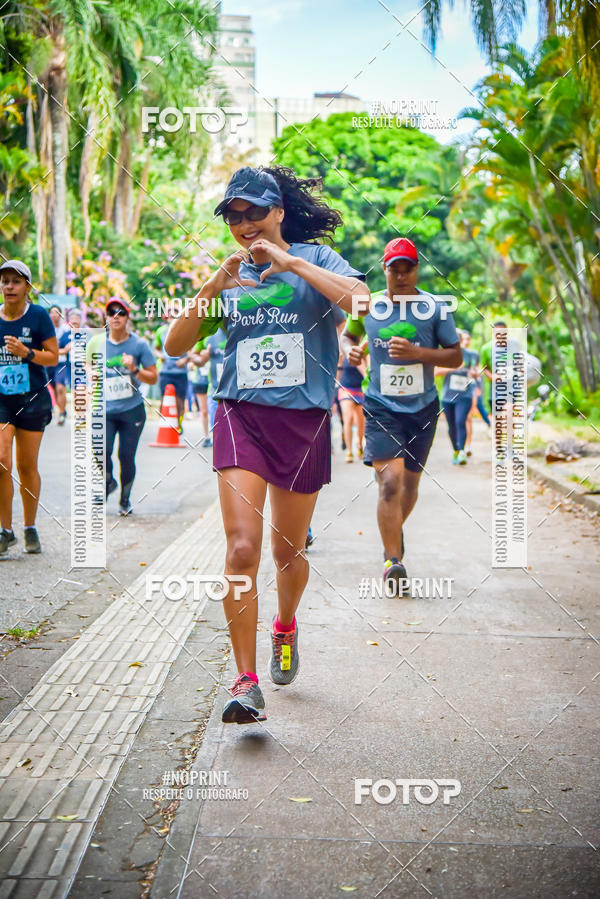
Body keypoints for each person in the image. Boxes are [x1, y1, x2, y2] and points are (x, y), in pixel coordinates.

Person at [165, 165, 370, 724]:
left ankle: (284, 626)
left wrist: (291, 262)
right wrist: (213, 286)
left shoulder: (317, 260)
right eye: (234, 215)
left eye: (255, 211)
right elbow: (174, 344)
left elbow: (362, 303)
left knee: (288, 552)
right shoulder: (231, 275)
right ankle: (244, 681)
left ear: (278, 211)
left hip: (302, 420)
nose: (244, 223)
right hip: (240, 415)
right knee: (240, 548)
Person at [341, 237, 461, 592]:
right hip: (381, 406)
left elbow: (455, 356)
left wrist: (418, 352)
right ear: (385, 270)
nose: (402, 275)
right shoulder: (367, 306)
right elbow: (348, 337)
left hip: (423, 407)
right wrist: (350, 351)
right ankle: (394, 561)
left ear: (417, 270)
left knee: (409, 485)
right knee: (390, 483)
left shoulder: (435, 308)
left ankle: (391, 534)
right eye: (395, 269)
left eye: (408, 268)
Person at [0, 260, 58, 554]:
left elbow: (53, 356)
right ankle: (5, 530)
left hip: (32, 398)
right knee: (1, 460)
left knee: (26, 466)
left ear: (28, 287)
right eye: (5, 281)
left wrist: (27, 352)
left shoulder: (38, 316)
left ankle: (30, 526)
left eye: (16, 281)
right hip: (2, 400)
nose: (9, 286)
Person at [99, 299, 157, 515]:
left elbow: (153, 377)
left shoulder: (139, 345)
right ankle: (108, 481)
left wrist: (134, 369)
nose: (116, 316)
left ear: (127, 317)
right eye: (111, 312)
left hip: (132, 410)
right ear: (106, 317)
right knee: (101, 451)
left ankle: (125, 500)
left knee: (125, 455)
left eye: (121, 313)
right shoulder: (97, 344)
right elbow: (86, 366)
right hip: (105, 410)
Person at [435, 329, 479, 465]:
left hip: (465, 395)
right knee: (452, 425)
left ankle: (462, 451)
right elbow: (436, 371)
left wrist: (474, 374)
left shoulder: (471, 355)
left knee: (460, 421)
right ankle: (456, 450)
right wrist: (453, 368)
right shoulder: (445, 355)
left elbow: (476, 372)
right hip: (448, 397)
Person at [155, 303, 190, 433]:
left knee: (180, 402)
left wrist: (185, 360)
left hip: (180, 372)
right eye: (169, 313)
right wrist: (160, 356)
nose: (172, 315)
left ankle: (178, 425)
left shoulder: (186, 330)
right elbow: (156, 349)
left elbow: (192, 351)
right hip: (165, 371)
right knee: (164, 399)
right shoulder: (161, 331)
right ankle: (163, 425)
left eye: (175, 313)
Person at [54, 307, 81, 425]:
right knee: (60, 389)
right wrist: (65, 350)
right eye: (72, 320)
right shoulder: (65, 335)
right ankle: (62, 413)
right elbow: (56, 351)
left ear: (80, 320)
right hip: (65, 365)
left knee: (78, 392)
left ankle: (80, 417)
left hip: (80, 367)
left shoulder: (86, 335)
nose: (74, 322)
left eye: (76, 319)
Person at [338, 355, 365, 462]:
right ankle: (349, 451)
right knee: (348, 419)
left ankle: (360, 445)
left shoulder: (364, 352)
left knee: (361, 422)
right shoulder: (344, 352)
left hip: (361, 389)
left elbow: (366, 370)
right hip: (346, 389)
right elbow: (338, 369)